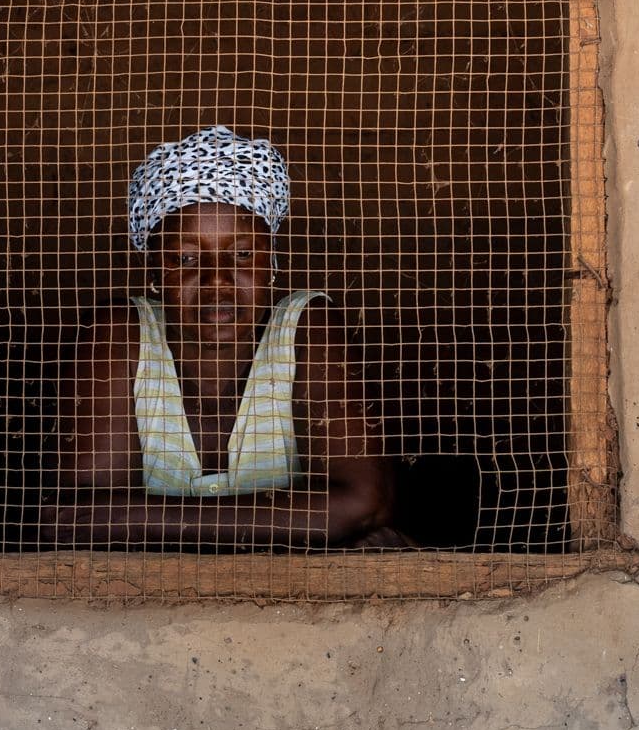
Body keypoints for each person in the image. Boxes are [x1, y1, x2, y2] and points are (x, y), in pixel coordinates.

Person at [42, 126, 398, 550]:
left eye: (244, 253)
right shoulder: (117, 334)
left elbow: (365, 504)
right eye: (185, 257)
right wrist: (311, 523)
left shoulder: (308, 328)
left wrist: (133, 518)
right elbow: (73, 520)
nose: (217, 280)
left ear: (273, 261)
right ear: (153, 270)